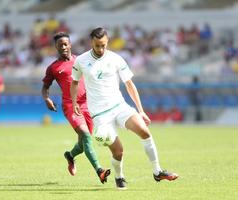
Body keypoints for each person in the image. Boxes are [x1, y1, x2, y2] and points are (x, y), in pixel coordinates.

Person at [71, 27, 178, 190]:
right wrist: (74, 103)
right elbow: (74, 82)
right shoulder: (81, 60)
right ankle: (119, 176)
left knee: (144, 132)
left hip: (119, 106)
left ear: (108, 42)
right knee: (119, 152)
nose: (100, 49)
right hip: (100, 114)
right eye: (97, 45)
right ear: (91, 42)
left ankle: (157, 171)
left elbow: (129, 84)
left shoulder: (116, 59)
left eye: (103, 45)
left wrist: (141, 110)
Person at [41, 32, 110, 184]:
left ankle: (70, 156)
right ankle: (100, 170)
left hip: (89, 105)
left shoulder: (82, 60)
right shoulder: (53, 68)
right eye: (60, 45)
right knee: (86, 136)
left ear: (70, 44)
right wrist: (46, 98)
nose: (64, 47)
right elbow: (45, 87)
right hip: (70, 105)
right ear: (56, 47)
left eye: (66, 44)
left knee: (84, 142)